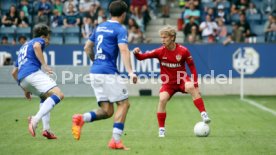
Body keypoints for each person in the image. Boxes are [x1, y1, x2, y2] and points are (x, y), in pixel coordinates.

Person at [71, 0, 137, 150]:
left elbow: (87, 47)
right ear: (124, 14)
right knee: (124, 103)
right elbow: (124, 50)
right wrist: (131, 71)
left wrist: (96, 61)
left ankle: (82, 118)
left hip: (95, 72)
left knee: (108, 111)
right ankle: (115, 141)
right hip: (108, 73)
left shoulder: (100, 26)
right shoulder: (120, 29)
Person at [133, 25, 211, 138]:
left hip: (181, 79)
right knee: (162, 99)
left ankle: (204, 114)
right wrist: (136, 53)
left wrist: (195, 84)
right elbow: (141, 57)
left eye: (165, 37)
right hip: (168, 83)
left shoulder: (183, 51)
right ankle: (161, 130)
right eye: (161, 38)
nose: (162, 40)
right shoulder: (160, 51)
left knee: (190, 87)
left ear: (172, 37)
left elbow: (192, 68)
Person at [11, 24, 64, 139]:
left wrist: (24, 89)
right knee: (59, 94)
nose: (48, 40)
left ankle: (46, 130)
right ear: (44, 36)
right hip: (33, 73)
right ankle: (35, 120)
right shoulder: (38, 41)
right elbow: (36, 46)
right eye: (48, 37)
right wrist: (45, 65)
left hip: (23, 79)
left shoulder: (23, 47)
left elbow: (14, 72)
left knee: (45, 97)